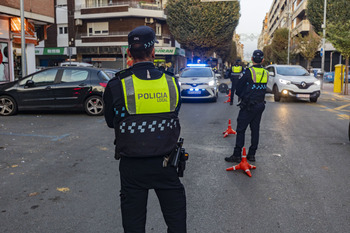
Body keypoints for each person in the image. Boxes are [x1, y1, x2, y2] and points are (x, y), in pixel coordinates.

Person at [103, 26, 187, 233]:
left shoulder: (116, 84)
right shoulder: (171, 82)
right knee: (176, 222)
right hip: (166, 163)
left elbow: (110, 121)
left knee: (133, 224)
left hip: (132, 166)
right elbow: (174, 112)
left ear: (129, 53)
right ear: (153, 52)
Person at [225, 50, 268, 163]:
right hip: (260, 104)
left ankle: (237, 154)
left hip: (248, 105)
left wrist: (241, 95)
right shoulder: (265, 72)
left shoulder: (249, 71)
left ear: (252, 59)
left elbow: (239, 87)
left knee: (241, 129)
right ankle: (252, 154)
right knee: (255, 129)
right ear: (263, 60)